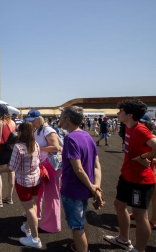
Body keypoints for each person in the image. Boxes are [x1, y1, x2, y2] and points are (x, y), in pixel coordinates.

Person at [104, 99, 156, 252]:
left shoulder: (140, 129)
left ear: (129, 115)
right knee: (119, 205)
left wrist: (143, 158)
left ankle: (139, 249)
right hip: (127, 176)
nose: (117, 113)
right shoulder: (128, 126)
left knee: (140, 216)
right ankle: (123, 239)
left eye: (120, 111)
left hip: (140, 181)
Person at [60, 106, 104, 252]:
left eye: (62, 116)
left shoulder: (70, 138)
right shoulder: (87, 136)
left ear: (68, 119)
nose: (60, 119)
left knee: (77, 226)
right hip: (85, 188)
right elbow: (97, 165)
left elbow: (78, 169)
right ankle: (80, 246)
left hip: (73, 189)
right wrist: (95, 187)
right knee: (80, 221)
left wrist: (93, 188)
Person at [0, 122, 43, 248]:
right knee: (33, 206)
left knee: (30, 209)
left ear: (21, 132)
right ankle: (28, 226)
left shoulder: (19, 147)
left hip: (24, 182)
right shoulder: (36, 144)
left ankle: (35, 239)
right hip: (36, 180)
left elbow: (12, 167)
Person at [26, 110, 62, 233]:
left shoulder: (47, 130)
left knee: (51, 195)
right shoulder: (38, 130)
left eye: (32, 120)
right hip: (43, 164)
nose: (30, 123)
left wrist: (37, 148)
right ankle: (36, 215)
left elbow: (56, 147)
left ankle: (52, 224)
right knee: (39, 192)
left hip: (51, 165)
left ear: (38, 119)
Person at [0, 104, 16, 208]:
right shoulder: (13, 122)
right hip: (12, 150)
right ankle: (10, 198)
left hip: (2, 149)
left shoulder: (0, 123)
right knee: (11, 172)